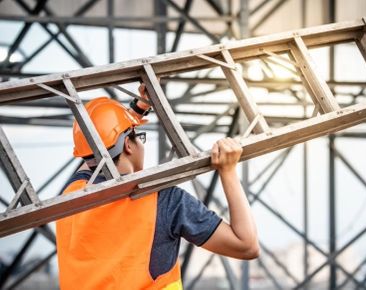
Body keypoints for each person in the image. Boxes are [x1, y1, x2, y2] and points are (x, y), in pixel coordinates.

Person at [55, 83, 259, 290]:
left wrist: (137, 110)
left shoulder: (71, 195)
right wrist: (228, 171)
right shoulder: (163, 200)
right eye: (139, 137)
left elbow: (94, 151)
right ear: (128, 145)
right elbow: (246, 246)